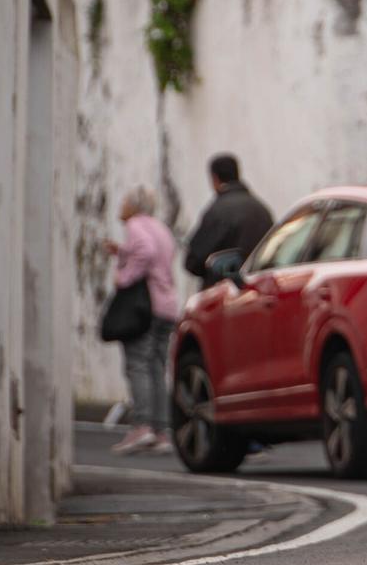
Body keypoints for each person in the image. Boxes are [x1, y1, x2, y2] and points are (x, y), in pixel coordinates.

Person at [104, 185, 179, 455]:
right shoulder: (160, 227)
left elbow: (145, 253)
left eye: (123, 201)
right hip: (167, 305)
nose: (120, 206)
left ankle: (142, 425)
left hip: (144, 308)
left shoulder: (136, 225)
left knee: (137, 365)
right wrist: (124, 252)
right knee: (157, 366)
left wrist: (123, 277)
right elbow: (156, 255)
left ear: (134, 206)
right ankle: (161, 430)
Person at [184, 153, 273, 286]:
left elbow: (194, 260)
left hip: (225, 294)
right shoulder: (261, 209)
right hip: (259, 290)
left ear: (214, 178)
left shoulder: (217, 211)